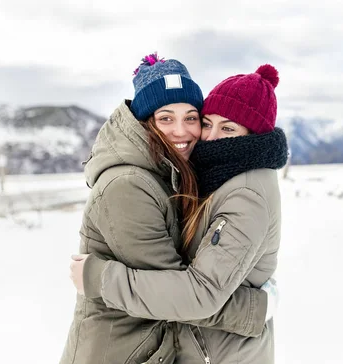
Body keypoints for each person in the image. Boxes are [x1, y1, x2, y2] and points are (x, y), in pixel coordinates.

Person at [61, 53, 270, 364]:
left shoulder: (171, 174)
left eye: (190, 117)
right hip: (117, 352)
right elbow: (180, 296)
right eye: (166, 118)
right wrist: (255, 309)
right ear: (147, 123)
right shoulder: (129, 186)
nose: (182, 131)